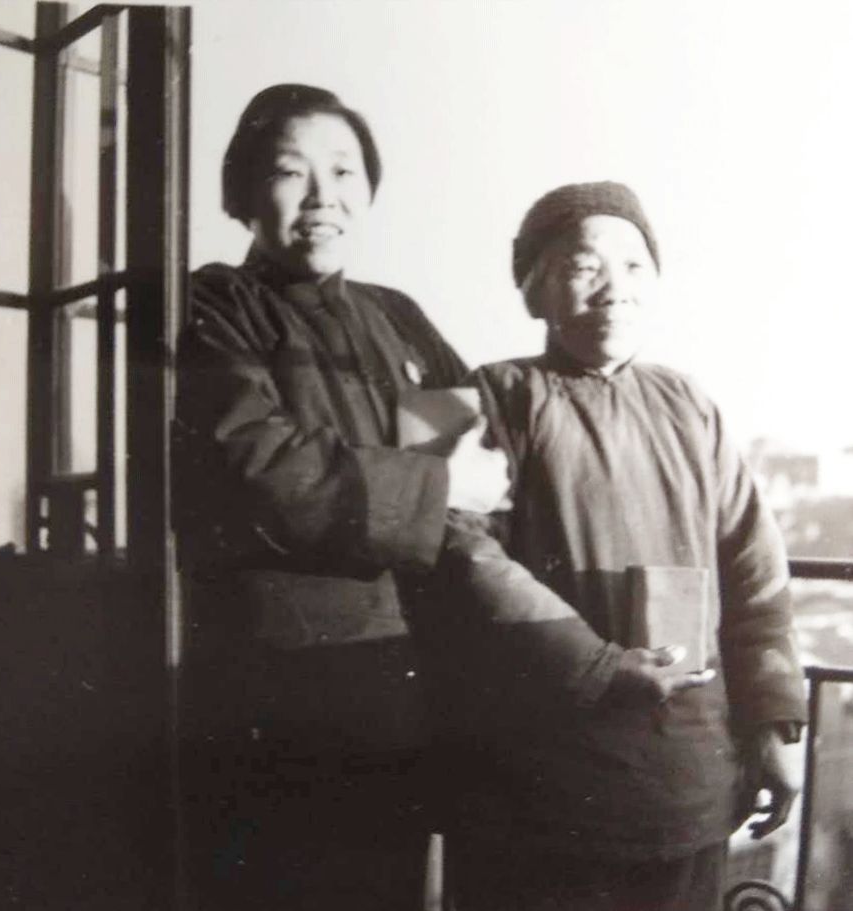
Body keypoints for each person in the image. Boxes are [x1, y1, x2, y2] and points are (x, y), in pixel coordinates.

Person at [412, 182, 807, 911]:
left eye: (633, 265)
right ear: (535, 290)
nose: (613, 287)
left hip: (686, 780)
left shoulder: (691, 405)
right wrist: (594, 663)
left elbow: (754, 574)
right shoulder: (494, 394)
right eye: (583, 265)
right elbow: (460, 548)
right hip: (538, 790)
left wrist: (775, 727)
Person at [173, 84, 509, 911]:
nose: (323, 196)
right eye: (292, 172)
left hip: (404, 689)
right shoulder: (213, 305)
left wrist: (458, 481)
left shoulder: (397, 317)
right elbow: (261, 468)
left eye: (345, 171)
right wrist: (439, 486)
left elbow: (483, 453)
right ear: (242, 195)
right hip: (278, 689)